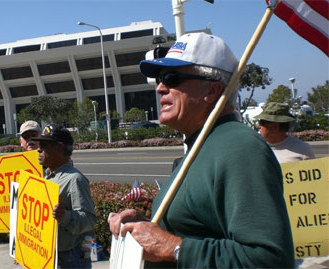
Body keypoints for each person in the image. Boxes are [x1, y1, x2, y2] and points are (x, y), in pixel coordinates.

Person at [108, 33, 294, 268]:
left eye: (172, 77)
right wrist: (149, 227)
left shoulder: (239, 148)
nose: (160, 88)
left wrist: (172, 246)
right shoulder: (203, 144)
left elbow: (269, 259)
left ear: (212, 91)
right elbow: (200, 231)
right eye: (159, 79)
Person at [32, 125, 97, 268]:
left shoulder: (74, 179)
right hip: (50, 255)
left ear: (60, 148)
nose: (38, 149)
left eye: (44, 145)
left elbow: (90, 220)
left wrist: (64, 216)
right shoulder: (47, 177)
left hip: (70, 259)